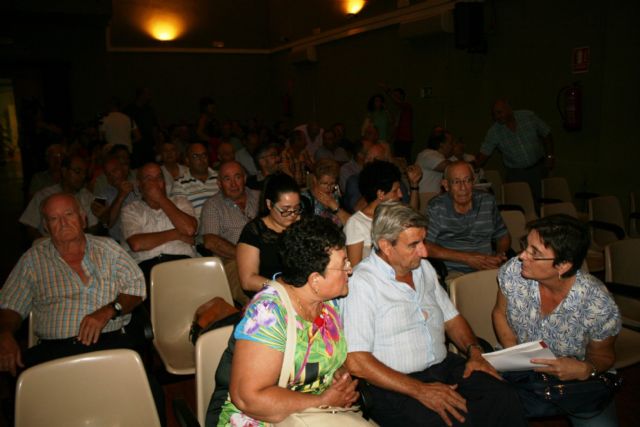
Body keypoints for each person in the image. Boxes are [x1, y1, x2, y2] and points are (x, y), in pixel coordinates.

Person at [342, 201, 526, 427]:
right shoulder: (362, 283)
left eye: (423, 241)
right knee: (456, 420)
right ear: (385, 246)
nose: (424, 251)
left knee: (503, 397)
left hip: (443, 367)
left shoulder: (423, 268)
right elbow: (356, 361)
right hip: (395, 384)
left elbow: (452, 319)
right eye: (414, 244)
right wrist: (420, 390)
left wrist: (474, 351)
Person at [215, 216, 358, 426]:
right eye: (343, 264)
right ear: (315, 280)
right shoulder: (269, 314)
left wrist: (338, 377)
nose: (350, 269)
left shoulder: (328, 303)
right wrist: (322, 401)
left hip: (313, 415)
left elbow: (324, 358)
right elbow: (248, 398)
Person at [492, 214, 621, 426]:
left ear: (563, 265)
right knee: (483, 411)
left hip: (573, 378)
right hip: (518, 366)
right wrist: (515, 353)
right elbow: (499, 313)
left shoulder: (596, 302)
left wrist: (585, 369)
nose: (522, 256)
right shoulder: (514, 271)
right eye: (526, 246)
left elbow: (604, 356)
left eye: (535, 253)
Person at [0, 194, 146, 372]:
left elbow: (136, 289)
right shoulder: (32, 259)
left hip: (109, 343)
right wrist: (5, 333)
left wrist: (109, 310)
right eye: (54, 218)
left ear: (83, 219)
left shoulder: (109, 249)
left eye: (69, 214)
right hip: (55, 351)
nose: (63, 223)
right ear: (46, 226)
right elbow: (10, 305)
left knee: (145, 385)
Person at [426, 161, 510, 278]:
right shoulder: (436, 207)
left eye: (467, 180)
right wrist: (467, 258)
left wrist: (499, 255)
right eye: (456, 182)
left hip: (488, 267)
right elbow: (426, 246)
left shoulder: (487, 201)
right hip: (454, 271)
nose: (463, 187)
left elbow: (503, 236)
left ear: (473, 181)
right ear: (446, 185)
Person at [122, 163, 198, 289]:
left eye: (159, 177)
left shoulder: (180, 202)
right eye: (149, 178)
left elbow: (189, 229)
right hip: (148, 269)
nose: (155, 183)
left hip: (184, 263)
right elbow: (137, 244)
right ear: (139, 185)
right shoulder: (131, 210)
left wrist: (161, 199)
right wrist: (178, 234)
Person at [200, 161, 259, 305]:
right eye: (227, 179)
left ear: (244, 179)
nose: (233, 184)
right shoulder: (213, 205)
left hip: (267, 254)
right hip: (233, 260)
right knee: (259, 299)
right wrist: (246, 257)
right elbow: (210, 242)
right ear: (219, 184)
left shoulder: (259, 197)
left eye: (237, 177)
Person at [475, 99, 554, 201]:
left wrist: (550, 156)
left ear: (508, 109)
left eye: (499, 112)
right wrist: (469, 167)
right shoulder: (494, 132)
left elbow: (546, 133)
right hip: (516, 174)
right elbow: (484, 153)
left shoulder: (528, 116)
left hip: (538, 168)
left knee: (542, 201)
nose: (497, 117)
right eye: (494, 115)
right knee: (519, 204)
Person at [237, 173, 302, 294]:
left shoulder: (302, 225)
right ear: (269, 204)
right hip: (269, 294)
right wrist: (283, 289)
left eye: (296, 208)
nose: (293, 214)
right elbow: (248, 280)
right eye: (285, 210)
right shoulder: (254, 231)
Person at [20, 154, 99, 241]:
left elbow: (93, 228)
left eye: (85, 173)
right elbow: (30, 226)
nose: (82, 176)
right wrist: (47, 244)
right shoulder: (44, 195)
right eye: (77, 171)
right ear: (64, 172)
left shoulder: (88, 197)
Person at [344, 160, 403, 266]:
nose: (400, 195)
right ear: (380, 194)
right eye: (395, 191)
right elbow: (355, 268)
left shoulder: (395, 215)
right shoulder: (356, 223)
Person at [91, 155, 138, 243]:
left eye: (115, 170)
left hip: (142, 236)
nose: (112, 175)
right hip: (119, 242)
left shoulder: (138, 186)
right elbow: (107, 223)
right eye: (108, 174)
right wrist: (120, 196)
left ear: (123, 169)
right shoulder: (101, 196)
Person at [171, 142, 220, 221]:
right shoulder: (179, 183)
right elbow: (180, 216)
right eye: (195, 156)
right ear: (187, 160)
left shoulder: (220, 177)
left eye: (204, 155)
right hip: (199, 227)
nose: (201, 159)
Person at [301, 158, 351, 227]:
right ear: (315, 180)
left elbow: (352, 223)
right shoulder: (304, 199)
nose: (329, 188)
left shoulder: (337, 197)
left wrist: (334, 206)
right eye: (324, 183)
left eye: (332, 183)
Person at [415, 128, 454, 196]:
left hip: (432, 196)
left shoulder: (438, 156)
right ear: (441, 144)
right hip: (424, 196)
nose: (452, 146)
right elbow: (449, 167)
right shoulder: (428, 154)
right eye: (450, 143)